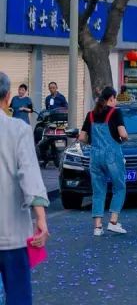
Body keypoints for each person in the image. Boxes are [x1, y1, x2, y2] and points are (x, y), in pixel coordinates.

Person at [0, 72, 49, 305]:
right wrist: (40, 218)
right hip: (12, 234)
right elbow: (29, 174)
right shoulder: (17, 130)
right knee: (18, 296)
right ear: (8, 97)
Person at [79, 86, 129, 235]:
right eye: (115, 99)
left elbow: (82, 137)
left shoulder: (91, 114)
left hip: (95, 155)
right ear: (111, 98)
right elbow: (123, 134)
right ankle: (113, 221)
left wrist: (92, 144)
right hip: (112, 154)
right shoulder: (115, 112)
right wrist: (123, 140)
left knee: (98, 190)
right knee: (119, 187)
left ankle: (97, 227)